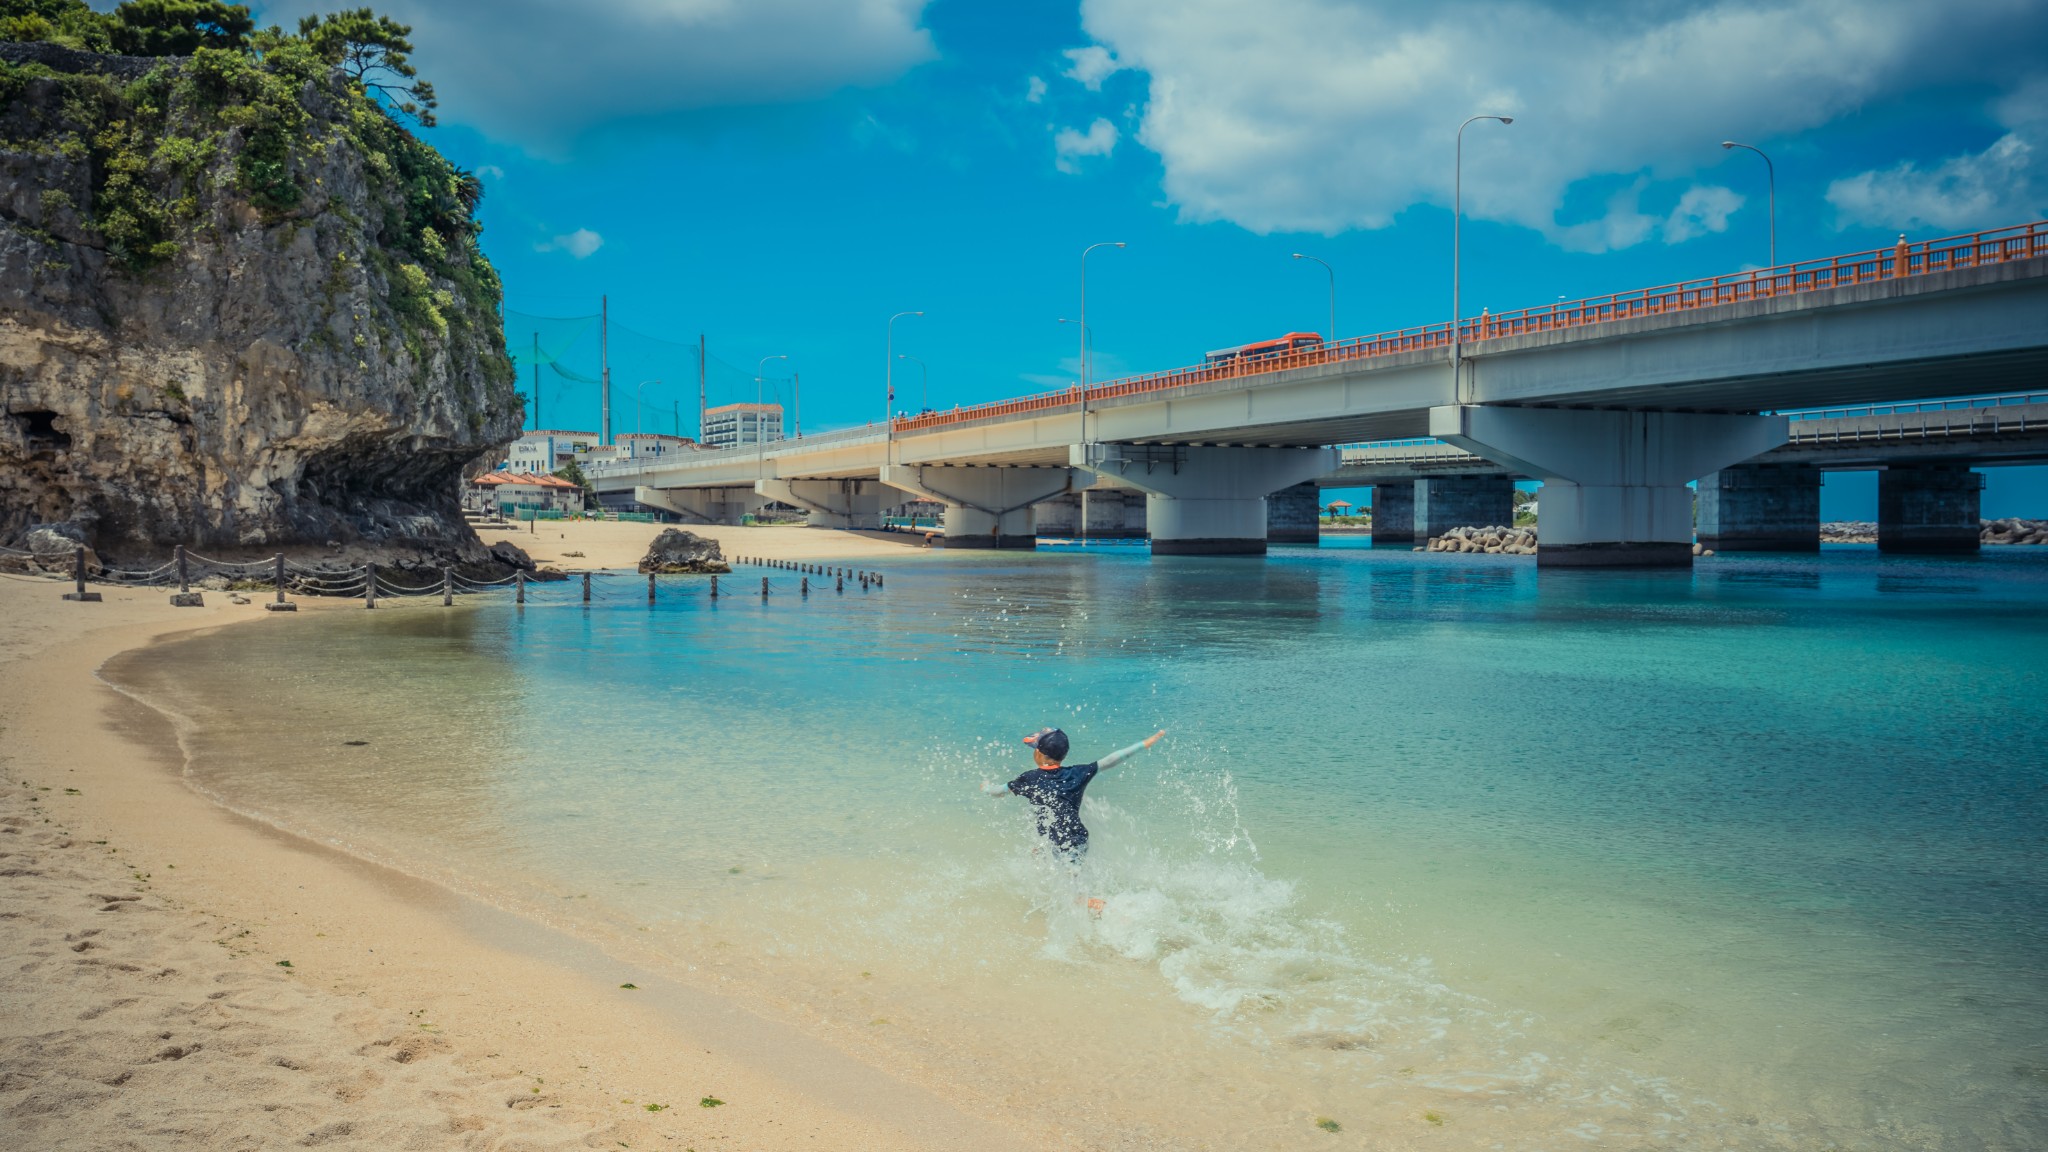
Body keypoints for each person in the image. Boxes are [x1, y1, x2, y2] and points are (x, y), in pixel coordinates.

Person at [983, 726, 1166, 859]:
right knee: (1069, 872)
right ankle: (1087, 899)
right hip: (1078, 838)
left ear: (1038, 753)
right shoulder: (1077, 773)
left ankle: (1091, 901)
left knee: (1065, 880)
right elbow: (1111, 760)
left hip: (1055, 841)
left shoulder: (1028, 779)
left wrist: (986, 788)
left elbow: (999, 792)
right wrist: (1145, 743)